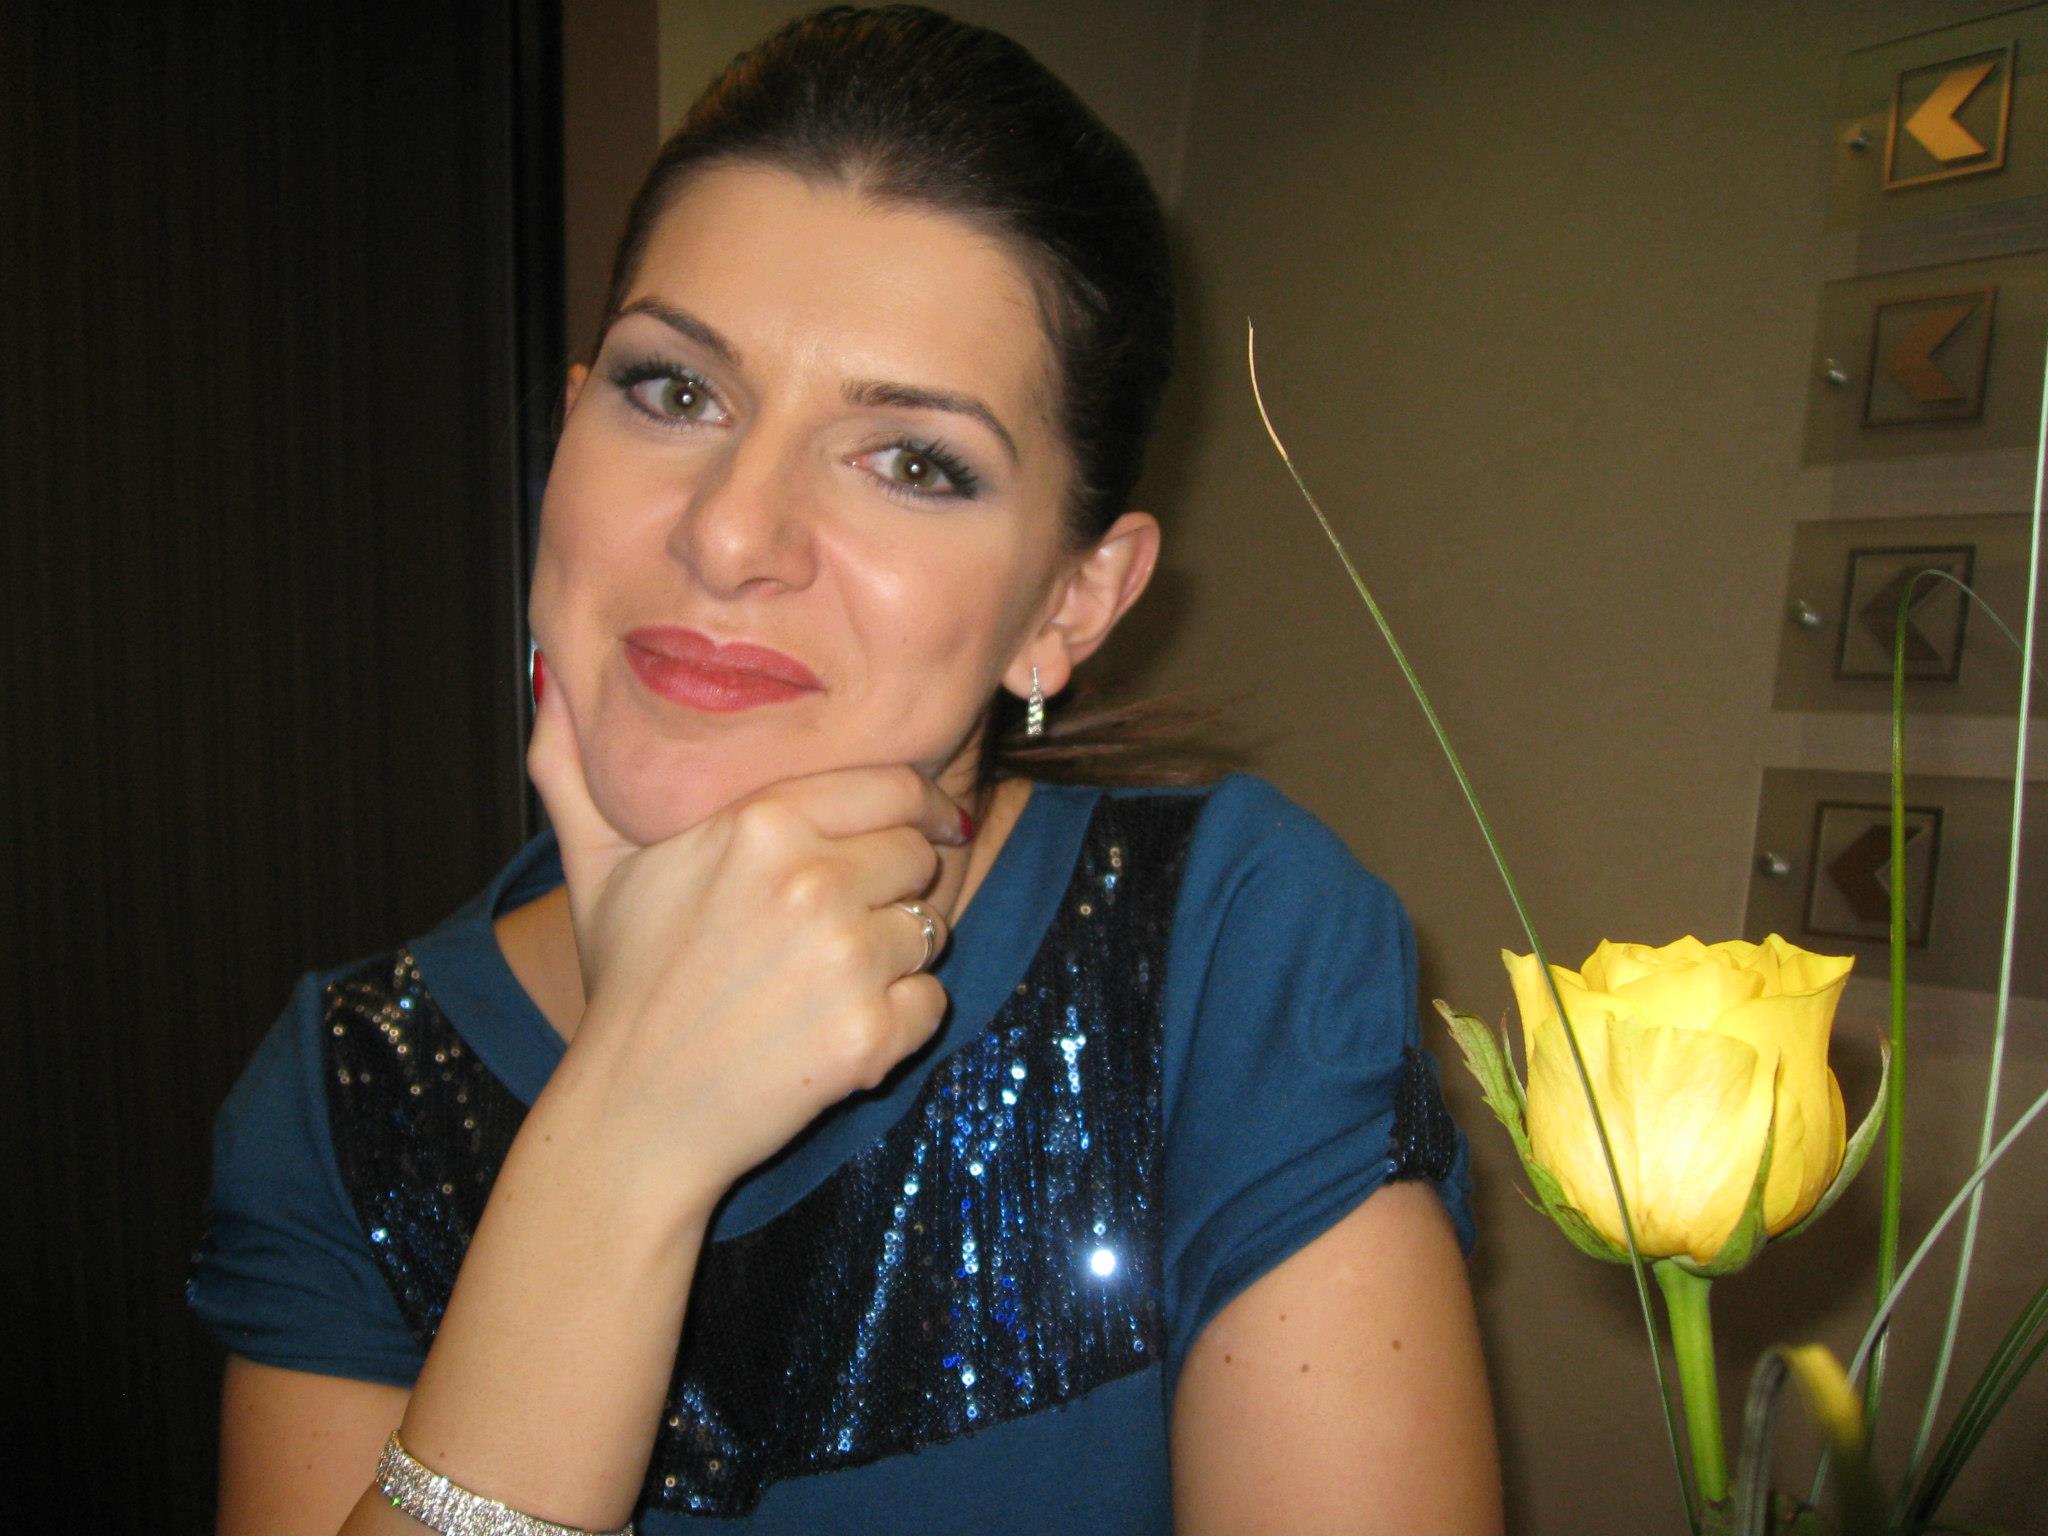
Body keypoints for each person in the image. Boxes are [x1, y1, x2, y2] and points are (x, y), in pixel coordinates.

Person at [189, 7, 1502, 1533]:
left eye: (913, 462)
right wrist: (621, 1140)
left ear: (1072, 603)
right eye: (675, 392)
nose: (729, 531)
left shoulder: (1228, 948)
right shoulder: (349, 1095)